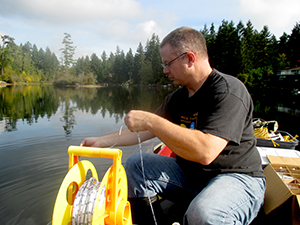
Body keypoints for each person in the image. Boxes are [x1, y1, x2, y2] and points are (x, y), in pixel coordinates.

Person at [80, 27, 266, 225]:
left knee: (204, 215)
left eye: (168, 63)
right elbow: (146, 130)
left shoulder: (228, 91)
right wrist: (101, 142)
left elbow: (206, 152)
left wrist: (151, 120)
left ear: (190, 58)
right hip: (192, 177)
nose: (164, 70)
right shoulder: (177, 98)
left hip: (236, 177)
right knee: (136, 164)